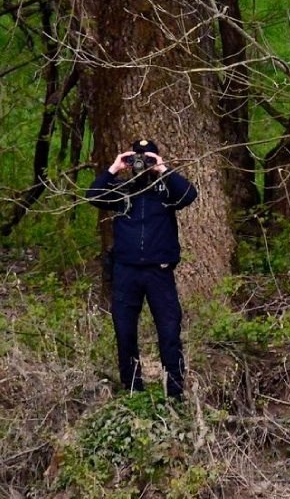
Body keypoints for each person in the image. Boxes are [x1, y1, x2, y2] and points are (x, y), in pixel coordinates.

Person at [86, 139, 198, 400]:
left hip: (159, 272)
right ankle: (133, 388)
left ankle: (175, 390)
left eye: (145, 158)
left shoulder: (166, 192)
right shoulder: (122, 190)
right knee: (124, 330)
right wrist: (114, 168)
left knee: (169, 330)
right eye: (137, 158)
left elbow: (189, 195)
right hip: (126, 271)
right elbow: (92, 196)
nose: (140, 164)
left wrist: (162, 169)